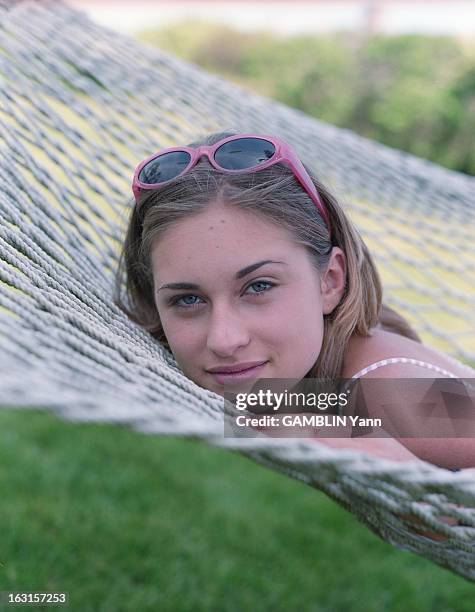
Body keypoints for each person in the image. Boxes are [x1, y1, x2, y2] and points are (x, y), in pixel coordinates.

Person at [115, 130, 475, 473]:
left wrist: (411, 481)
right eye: (188, 299)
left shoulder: (397, 395)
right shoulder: (311, 393)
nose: (224, 340)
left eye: (258, 287)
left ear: (330, 282)